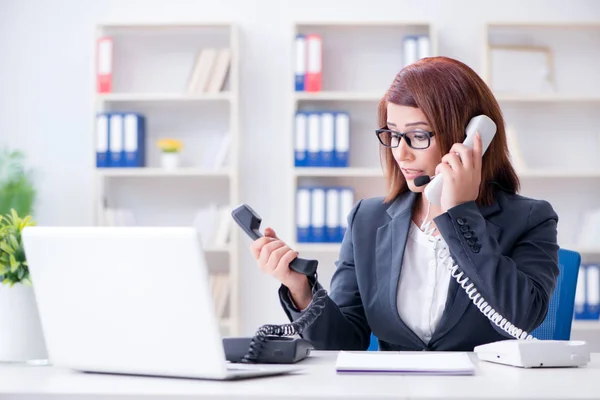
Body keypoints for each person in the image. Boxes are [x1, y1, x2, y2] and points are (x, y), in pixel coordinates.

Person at [250, 56, 560, 352]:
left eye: (418, 136)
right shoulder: (367, 220)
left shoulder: (531, 219)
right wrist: (301, 290)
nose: (401, 153)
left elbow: (522, 317)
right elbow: (345, 341)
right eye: (393, 135)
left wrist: (460, 213)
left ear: (469, 138)